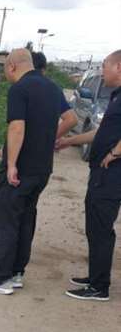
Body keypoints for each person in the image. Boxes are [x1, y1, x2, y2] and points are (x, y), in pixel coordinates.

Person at [0, 49, 74, 295]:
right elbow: (71, 119)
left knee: (6, 219)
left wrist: (11, 164)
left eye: (5, 69)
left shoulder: (19, 89)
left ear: (11, 66)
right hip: (42, 169)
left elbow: (17, 128)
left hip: (21, 169)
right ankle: (17, 273)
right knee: (25, 219)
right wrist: (47, 139)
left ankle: (2, 277)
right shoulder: (53, 88)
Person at [56, 49, 121, 301]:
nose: (102, 72)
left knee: (101, 228)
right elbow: (99, 133)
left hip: (111, 174)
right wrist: (68, 141)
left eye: (105, 66)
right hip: (101, 173)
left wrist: (114, 153)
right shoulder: (116, 96)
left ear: (119, 67)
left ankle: (99, 287)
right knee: (94, 226)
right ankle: (95, 277)